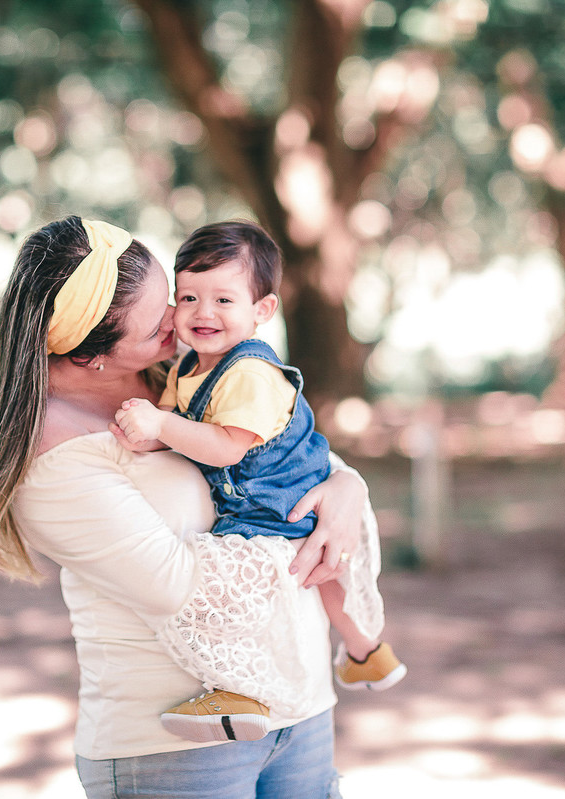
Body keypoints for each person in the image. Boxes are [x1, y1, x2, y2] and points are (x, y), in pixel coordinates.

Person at [0, 215, 380, 799]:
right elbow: (178, 586)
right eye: (157, 324)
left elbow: (284, 454)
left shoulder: (183, 376)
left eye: (171, 298)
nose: (184, 319)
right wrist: (303, 530)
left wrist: (347, 491)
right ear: (91, 354)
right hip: (173, 751)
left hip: (300, 709)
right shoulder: (51, 459)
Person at [113, 221, 405, 744]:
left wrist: (161, 427)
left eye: (224, 299)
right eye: (189, 297)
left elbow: (225, 445)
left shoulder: (247, 372)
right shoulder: (189, 368)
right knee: (332, 581)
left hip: (277, 505)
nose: (203, 313)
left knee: (223, 590)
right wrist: (150, 436)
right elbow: (178, 427)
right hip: (293, 494)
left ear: (261, 311)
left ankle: (239, 689)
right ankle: (366, 653)